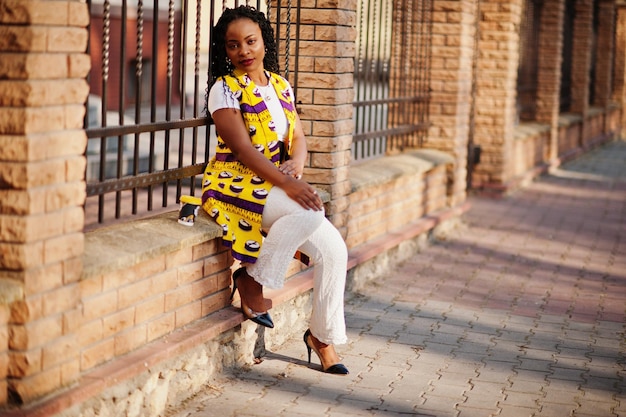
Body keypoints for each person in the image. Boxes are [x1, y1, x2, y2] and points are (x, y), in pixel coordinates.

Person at [201, 5, 349, 375]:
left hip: (274, 183)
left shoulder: (280, 84)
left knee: (335, 252)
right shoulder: (225, 89)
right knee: (311, 209)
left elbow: (297, 135)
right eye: (233, 45)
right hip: (233, 182)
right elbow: (242, 149)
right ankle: (252, 280)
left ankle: (322, 337)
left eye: (251, 41)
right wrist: (290, 183)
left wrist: (297, 164)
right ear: (226, 51)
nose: (244, 51)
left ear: (264, 41)